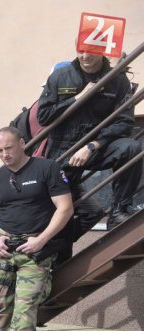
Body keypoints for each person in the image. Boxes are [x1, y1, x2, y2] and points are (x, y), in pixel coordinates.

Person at [0, 127, 73, 331]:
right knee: (1, 307)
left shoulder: (47, 169)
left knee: (25, 308)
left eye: (9, 148)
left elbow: (65, 208)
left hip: (34, 250)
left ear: (22, 143)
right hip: (3, 249)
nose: (4, 154)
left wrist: (42, 239)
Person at [37, 49, 141, 231]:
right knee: (55, 208)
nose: (85, 56)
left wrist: (93, 145)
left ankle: (119, 210)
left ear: (102, 51)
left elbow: (124, 122)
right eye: (81, 50)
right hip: (63, 150)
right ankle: (55, 242)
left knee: (131, 148)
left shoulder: (117, 79)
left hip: (98, 146)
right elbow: (44, 117)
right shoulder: (61, 76)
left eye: (91, 51)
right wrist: (78, 98)